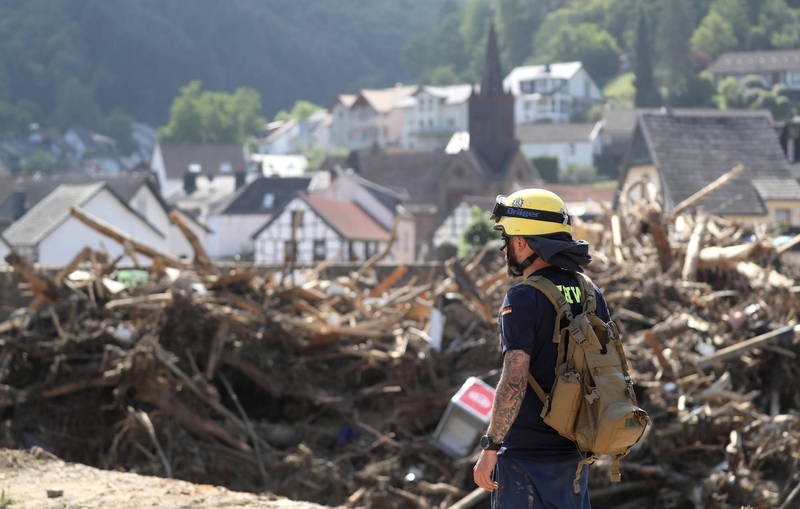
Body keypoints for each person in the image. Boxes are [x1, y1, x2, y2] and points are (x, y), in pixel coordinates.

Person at [473, 188, 612, 509]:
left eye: (506, 239)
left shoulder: (522, 297)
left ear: (522, 242)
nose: (505, 247)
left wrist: (491, 445)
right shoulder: (591, 293)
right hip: (575, 452)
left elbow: (515, 377)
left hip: (526, 455)